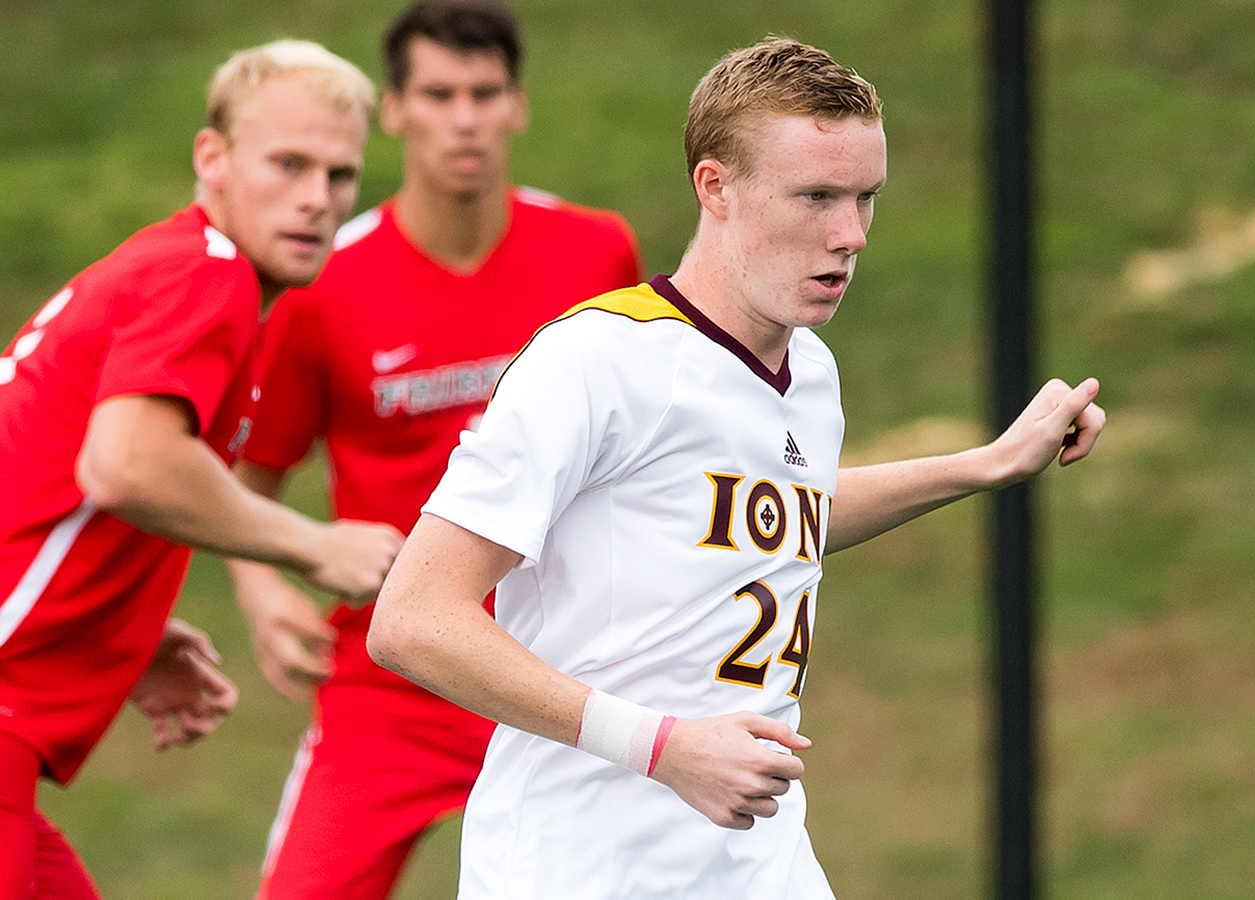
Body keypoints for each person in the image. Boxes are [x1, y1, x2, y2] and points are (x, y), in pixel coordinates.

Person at [367, 37, 1104, 899]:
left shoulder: (810, 369)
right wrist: (663, 748)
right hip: (582, 868)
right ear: (714, 187)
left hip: (759, 864)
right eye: (816, 197)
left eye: (866, 197)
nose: (851, 235)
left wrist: (982, 466)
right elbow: (413, 619)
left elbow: (778, 517)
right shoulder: (598, 360)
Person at [223, 3, 642, 899]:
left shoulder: (597, 253)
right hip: (393, 679)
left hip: (559, 665)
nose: (465, 119)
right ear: (395, 109)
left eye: (485, 94)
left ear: (517, 105)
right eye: (440, 95)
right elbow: (250, 477)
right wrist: (260, 591)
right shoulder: (324, 284)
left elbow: (644, 452)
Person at [0, 39, 403, 900]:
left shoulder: (175, 269)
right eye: (288, 164)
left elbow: (43, 478)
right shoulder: (204, 275)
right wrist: (313, 544)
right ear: (212, 158)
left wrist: (119, 634)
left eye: (339, 175)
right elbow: (126, 464)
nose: (317, 198)